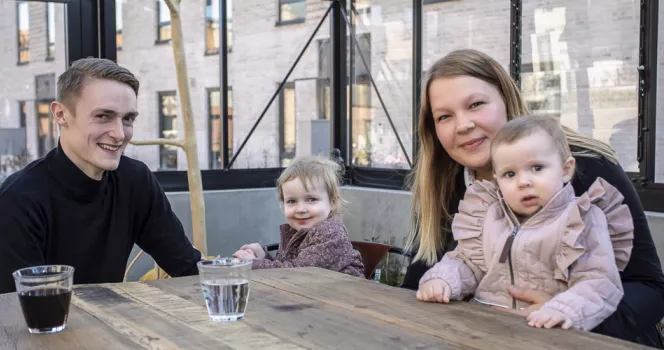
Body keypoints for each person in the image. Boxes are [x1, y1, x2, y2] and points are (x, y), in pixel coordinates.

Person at [403, 49, 664, 347]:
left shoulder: (588, 169)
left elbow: (650, 289)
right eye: (444, 116)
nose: (462, 125)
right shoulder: (446, 185)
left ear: (506, 99)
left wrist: (568, 314)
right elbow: (421, 279)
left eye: (475, 104)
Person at [0, 58, 202, 297]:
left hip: (98, 326)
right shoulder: (18, 200)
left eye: (128, 118)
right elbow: (27, 315)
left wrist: (237, 268)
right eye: (103, 116)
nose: (119, 134)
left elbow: (187, 268)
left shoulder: (135, 181)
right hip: (12, 331)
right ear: (60, 114)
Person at [416, 115, 633, 331]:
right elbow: (467, 263)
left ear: (566, 170)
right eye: (510, 174)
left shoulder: (580, 219)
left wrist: (564, 309)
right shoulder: (490, 216)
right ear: (496, 179)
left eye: (537, 168)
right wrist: (443, 280)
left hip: (547, 330)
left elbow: (598, 280)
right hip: (484, 327)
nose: (523, 182)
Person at [233, 156, 364, 278]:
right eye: (291, 201)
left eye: (311, 199)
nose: (301, 209)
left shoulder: (330, 232)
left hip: (348, 299)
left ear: (332, 202)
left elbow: (298, 273)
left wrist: (253, 264)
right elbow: (286, 268)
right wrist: (263, 257)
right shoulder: (297, 232)